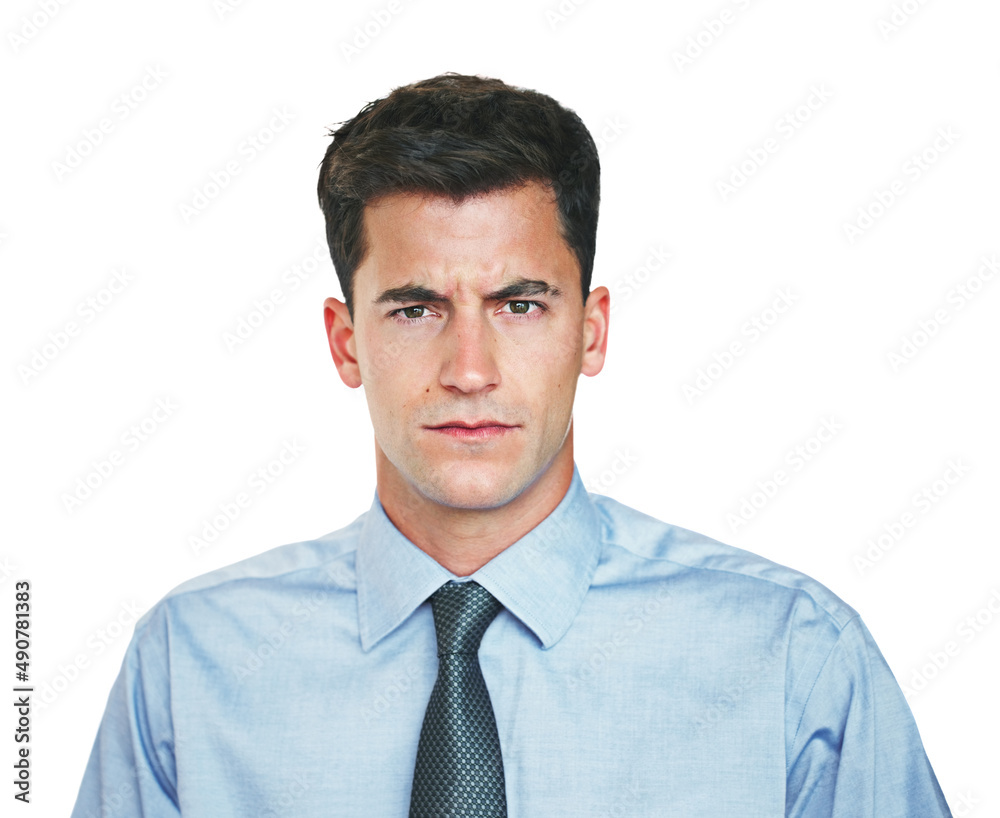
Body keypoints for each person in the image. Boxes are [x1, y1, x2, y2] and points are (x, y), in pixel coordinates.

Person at [72, 73, 952, 817]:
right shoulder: (189, 667)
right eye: (416, 308)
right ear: (345, 342)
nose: (469, 369)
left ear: (592, 331)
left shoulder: (793, 660)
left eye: (519, 305)